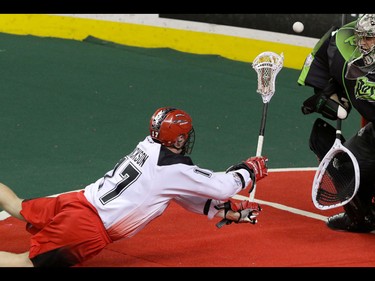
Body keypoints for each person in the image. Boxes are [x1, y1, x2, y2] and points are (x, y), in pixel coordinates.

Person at [0, 106, 268, 267]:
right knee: (26, 263)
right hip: (88, 228)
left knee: (16, 205)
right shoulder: (172, 168)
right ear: (180, 138)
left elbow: (179, 193)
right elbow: (222, 186)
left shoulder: (148, 146)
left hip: (80, 200)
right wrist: (248, 171)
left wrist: (224, 211)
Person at [297, 14, 375, 233]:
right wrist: (329, 95)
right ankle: (361, 217)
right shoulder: (342, 44)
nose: (362, 43)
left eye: (369, 39)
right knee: (345, 164)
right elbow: (320, 68)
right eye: (361, 37)